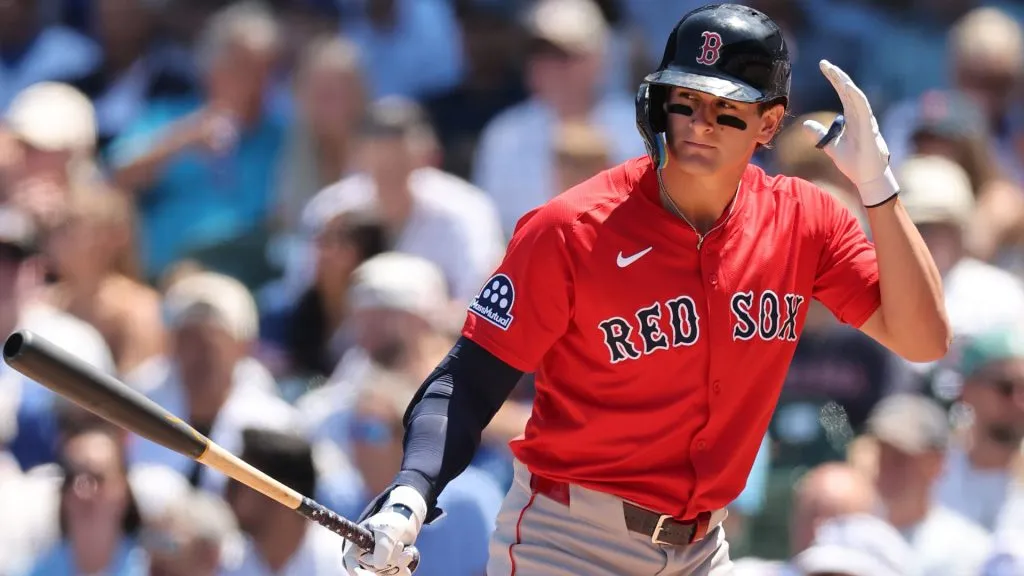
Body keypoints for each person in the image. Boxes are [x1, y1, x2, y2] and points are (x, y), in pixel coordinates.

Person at [342, 4, 951, 575]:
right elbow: (467, 380)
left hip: (703, 546)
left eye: (726, 107)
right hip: (570, 540)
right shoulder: (572, 228)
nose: (699, 123)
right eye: (684, 100)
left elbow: (922, 338)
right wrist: (411, 492)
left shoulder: (805, 220)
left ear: (768, 123)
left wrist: (879, 186)